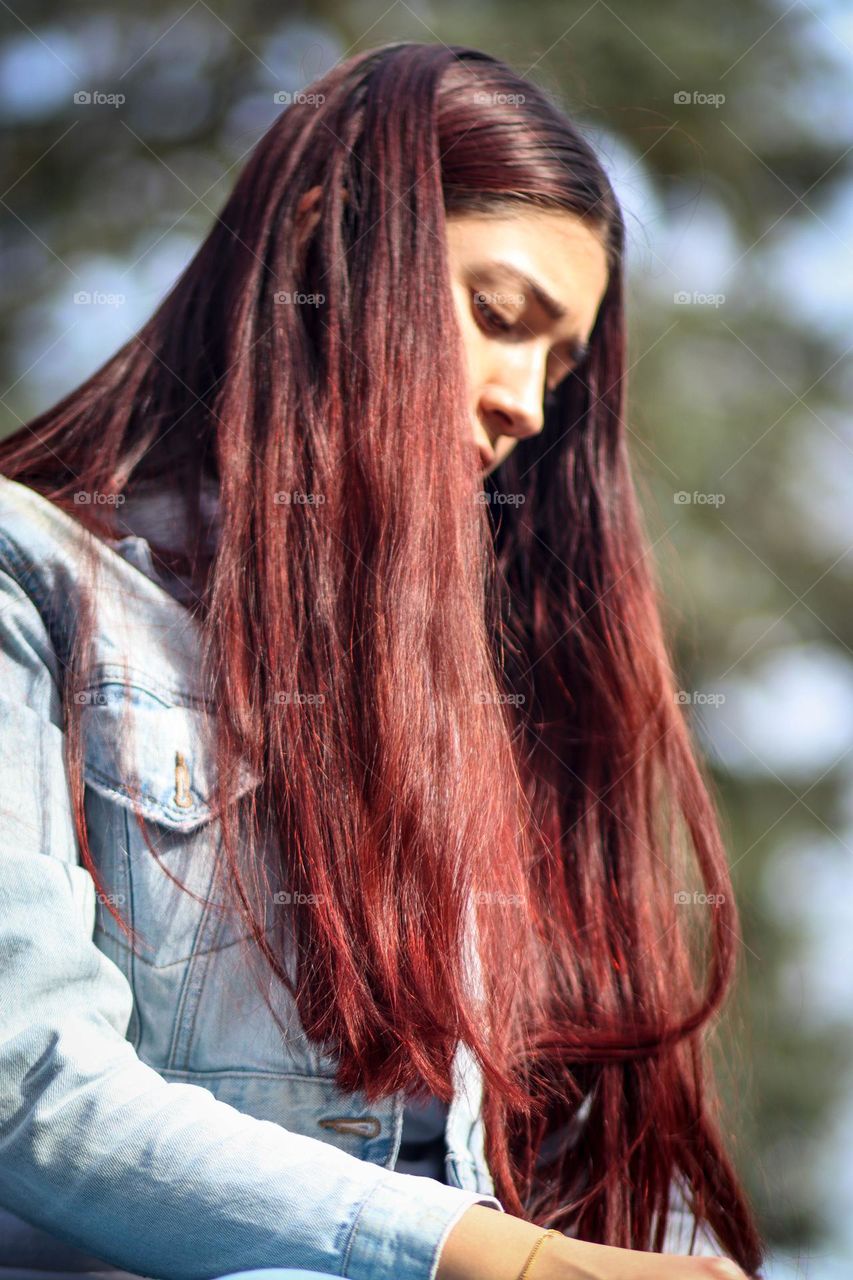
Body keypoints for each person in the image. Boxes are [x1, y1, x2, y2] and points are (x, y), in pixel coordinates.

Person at [0, 40, 765, 1280]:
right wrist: (501, 1260)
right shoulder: (29, 580)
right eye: (497, 314)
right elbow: (26, 1084)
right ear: (320, 247)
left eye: (558, 368)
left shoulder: (490, 705)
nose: (525, 401)